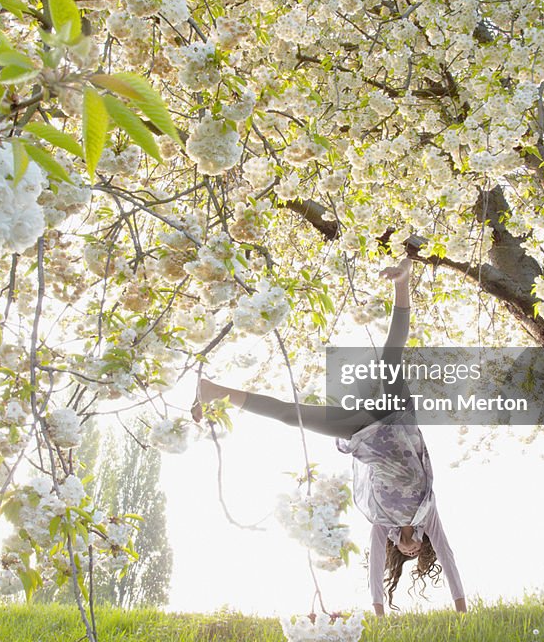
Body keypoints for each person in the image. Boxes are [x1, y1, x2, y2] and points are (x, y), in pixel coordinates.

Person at [195, 259, 466, 616]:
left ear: (400, 555)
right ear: (423, 546)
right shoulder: (428, 517)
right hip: (398, 421)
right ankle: (403, 281)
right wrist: (462, 610)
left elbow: (373, 570)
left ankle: (215, 390)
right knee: (391, 358)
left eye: (409, 555)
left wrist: (378, 610)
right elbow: (447, 557)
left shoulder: (380, 524)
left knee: (293, 416)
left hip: (368, 433)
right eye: (419, 552)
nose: (413, 552)